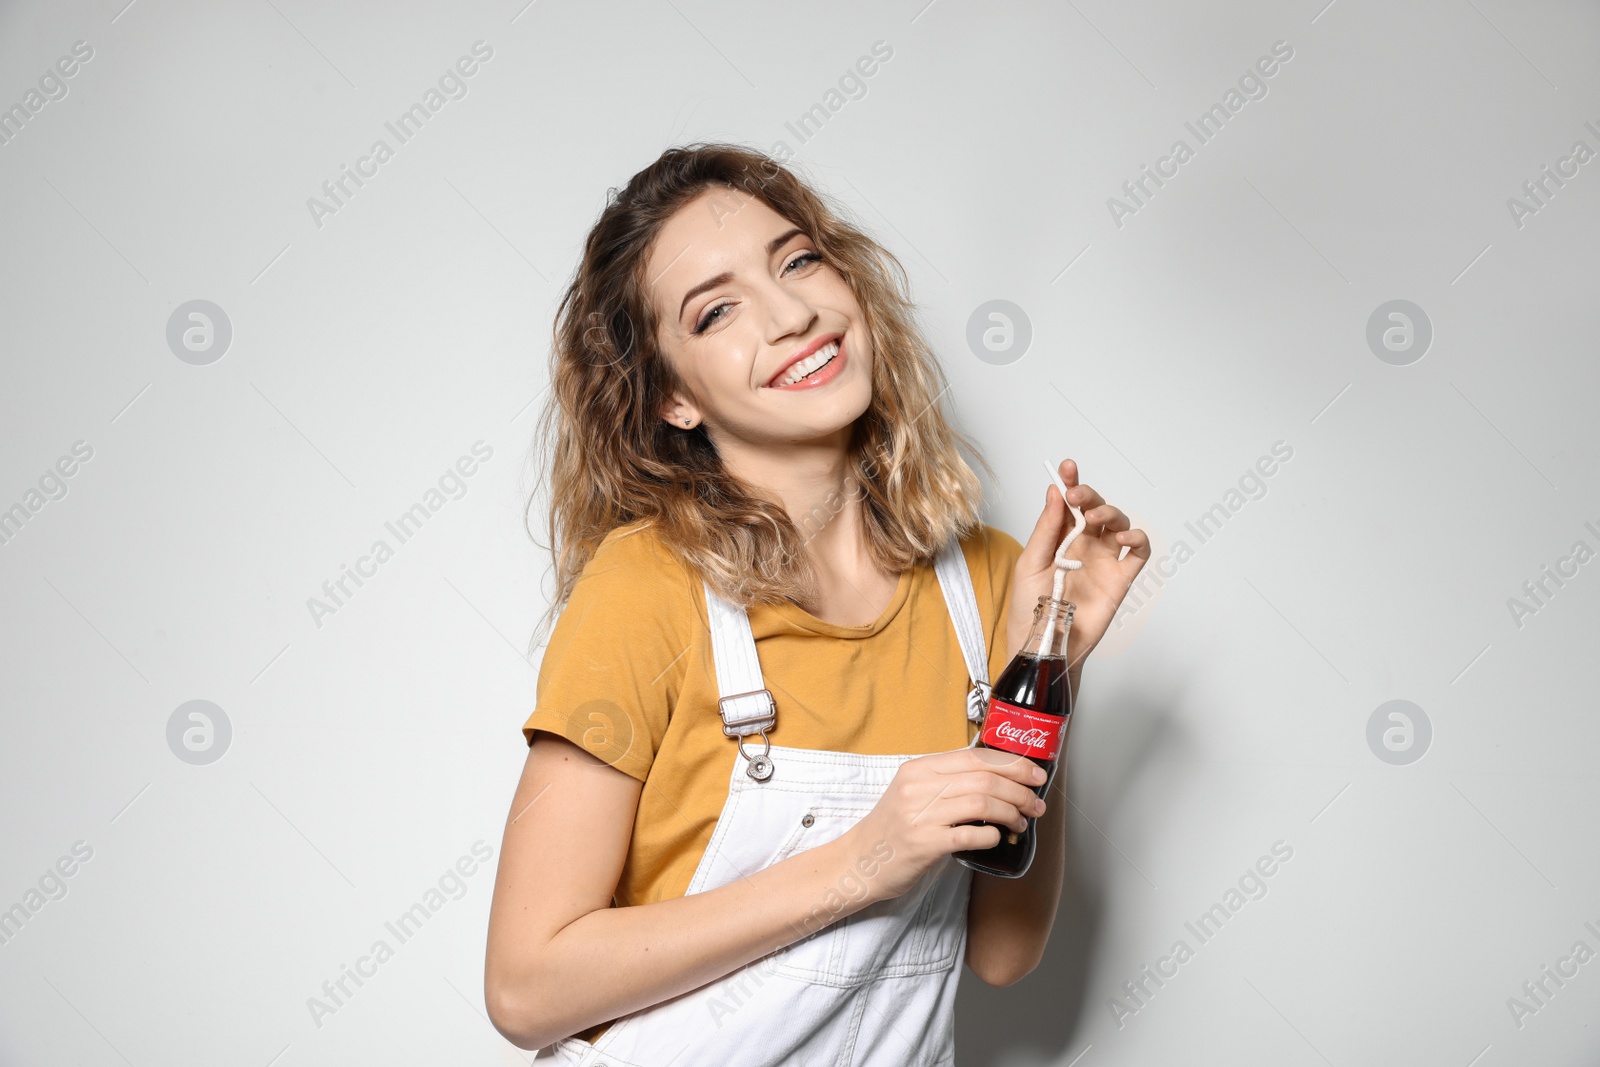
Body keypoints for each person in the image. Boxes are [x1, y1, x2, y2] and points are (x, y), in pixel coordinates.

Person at [483, 142, 1148, 1063]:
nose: (794, 313)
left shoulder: (991, 578)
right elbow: (524, 989)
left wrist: (1049, 661)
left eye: (797, 260)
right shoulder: (646, 588)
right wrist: (866, 857)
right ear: (674, 397)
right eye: (718, 310)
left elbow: (1002, 951)